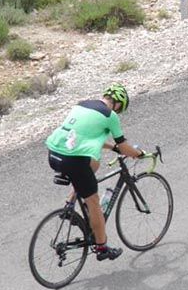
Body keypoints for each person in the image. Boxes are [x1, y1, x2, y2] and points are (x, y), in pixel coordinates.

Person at [45, 83, 147, 261]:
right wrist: (138, 154)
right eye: (120, 109)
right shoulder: (110, 115)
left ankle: (69, 206)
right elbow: (124, 146)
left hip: (54, 154)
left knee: (94, 163)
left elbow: (87, 137)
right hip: (72, 159)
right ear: (117, 104)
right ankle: (102, 247)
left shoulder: (82, 104)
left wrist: (113, 148)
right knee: (93, 201)